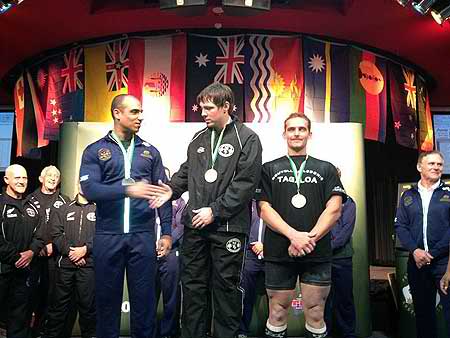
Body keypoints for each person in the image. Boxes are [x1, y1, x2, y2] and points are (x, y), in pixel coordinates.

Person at [148, 82, 263, 338]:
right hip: (195, 228)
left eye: (209, 108)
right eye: (201, 108)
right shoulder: (199, 138)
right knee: (193, 288)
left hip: (228, 228)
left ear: (226, 107)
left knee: (226, 290)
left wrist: (215, 211)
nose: (203, 113)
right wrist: (171, 190)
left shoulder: (248, 139)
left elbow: (245, 184)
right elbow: (187, 171)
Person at [79, 94, 172, 338]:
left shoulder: (150, 152)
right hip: (108, 236)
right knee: (106, 304)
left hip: (142, 236)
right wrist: (127, 189)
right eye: (134, 112)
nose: (140, 117)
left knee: (145, 305)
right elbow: (89, 190)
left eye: (140, 112)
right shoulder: (95, 150)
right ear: (117, 113)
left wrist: (167, 233)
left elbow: (162, 194)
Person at [257, 113, 345, 338]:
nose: (296, 133)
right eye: (292, 129)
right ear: (284, 133)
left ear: (310, 134)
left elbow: (334, 209)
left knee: (316, 313)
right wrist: (294, 236)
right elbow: (264, 210)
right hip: (278, 251)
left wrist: (308, 240)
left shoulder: (326, 169)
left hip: (317, 252)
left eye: (302, 129)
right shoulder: (268, 169)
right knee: (276, 312)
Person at [395, 150, 450, 338]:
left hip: (443, 264)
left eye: (439, 164)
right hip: (416, 264)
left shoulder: (448, 194)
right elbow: (400, 226)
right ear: (420, 167)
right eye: (432, 164)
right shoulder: (408, 196)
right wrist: (415, 251)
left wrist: (432, 253)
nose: (436, 167)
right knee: (423, 317)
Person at [43, 184, 96, 338]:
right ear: (77, 184)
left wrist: (85, 250)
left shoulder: (100, 210)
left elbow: (102, 234)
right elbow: (56, 234)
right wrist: (72, 253)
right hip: (65, 266)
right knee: (58, 309)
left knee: (88, 310)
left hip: (89, 266)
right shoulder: (63, 208)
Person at [0, 164, 44, 338]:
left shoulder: (32, 206)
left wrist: (32, 252)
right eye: (17, 177)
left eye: (24, 178)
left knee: (19, 320)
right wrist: (17, 257)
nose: (21, 181)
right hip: (3, 271)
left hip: (24, 275)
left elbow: (40, 235)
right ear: (6, 180)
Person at [28, 165, 70, 338]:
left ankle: (48, 332)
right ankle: (31, 331)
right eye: (49, 175)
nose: (53, 178)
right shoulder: (29, 199)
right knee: (31, 297)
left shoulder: (65, 201)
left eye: (56, 176)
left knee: (54, 297)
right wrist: (35, 248)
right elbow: (25, 229)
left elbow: (68, 230)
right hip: (34, 258)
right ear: (41, 178)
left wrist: (55, 245)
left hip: (56, 258)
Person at [324, 167, 357, 338]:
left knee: (344, 299)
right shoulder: (319, 201)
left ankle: (348, 334)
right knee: (323, 300)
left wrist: (324, 247)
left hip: (342, 258)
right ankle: (325, 333)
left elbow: (345, 233)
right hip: (322, 260)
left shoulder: (348, 202)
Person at [155, 194, 186, 338]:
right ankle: (149, 331)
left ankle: (168, 332)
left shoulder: (180, 202)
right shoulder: (148, 201)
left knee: (171, 297)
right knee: (147, 297)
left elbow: (181, 226)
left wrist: (167, 243)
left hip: (171, 253)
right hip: (149, 253)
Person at [237, 200, 266, 338]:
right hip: (250, 254)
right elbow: (241, 228)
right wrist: (252, 245)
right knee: (246, 295)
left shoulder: (276, 202)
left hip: (272, 256)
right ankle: (242, 331)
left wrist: (266, 246)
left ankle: (273, 331)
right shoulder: (248, 204)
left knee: (274, 298)